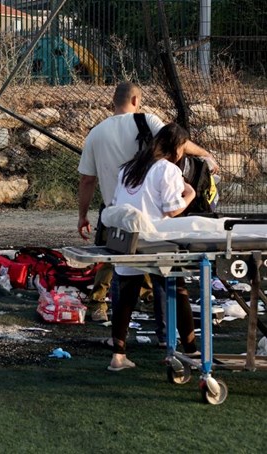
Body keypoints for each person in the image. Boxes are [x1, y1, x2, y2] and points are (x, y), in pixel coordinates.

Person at [77, 82, 218, 324]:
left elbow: (87, 180)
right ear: (135, 101)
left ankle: (101, 307)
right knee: (159, 263)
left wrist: (82, 215)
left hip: (114, 208)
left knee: (113, 258)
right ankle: (165, 325)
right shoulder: (147, 121)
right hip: (148, 210)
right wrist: (205, 154)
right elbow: (176, 141)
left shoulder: (96, 133)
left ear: (113, 101)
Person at [108, 123, 199, 371]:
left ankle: (118, 355)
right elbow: (171, 208)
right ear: (177, 149)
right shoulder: (167, 169)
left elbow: (118, 202)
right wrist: (189, 195)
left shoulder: (129, 167)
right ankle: (193, 350)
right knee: (177, 291)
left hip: (128, 239)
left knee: (126, 296)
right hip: (156, 241)